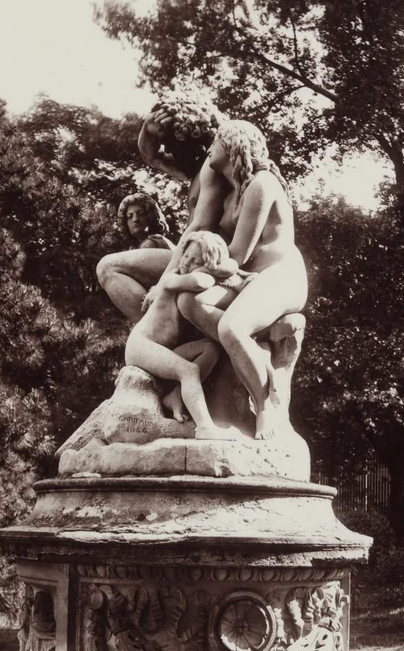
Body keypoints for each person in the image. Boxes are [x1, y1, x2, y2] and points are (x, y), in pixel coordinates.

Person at [175, 120, 307, 440]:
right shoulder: (234, 189)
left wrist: (187, 274)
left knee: (230, 327)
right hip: (247, 278)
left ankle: (265, 406)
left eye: (217, 140)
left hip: (280, 277)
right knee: (189, 301)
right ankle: (252, 351)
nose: (210, 148)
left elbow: (238, 254)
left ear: (234, 145)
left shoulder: (262, 183)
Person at [96, 95, 230, 321]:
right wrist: (147, 129)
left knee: (109, 267)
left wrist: (164, 281)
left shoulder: (211, 169)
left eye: (175, 146)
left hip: (207, 259)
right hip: (194, 254)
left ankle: (158, 326)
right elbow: (151, 156)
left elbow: (201, 225)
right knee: (110, 268)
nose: (171, 153)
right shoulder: (196, 170)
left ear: (193, 140)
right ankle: (159, 328)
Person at [124, 231, 241, 439]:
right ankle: (205, 428)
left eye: (194, 259)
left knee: (210, 348)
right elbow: (200, 282)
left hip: (161, 348)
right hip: (141, 345)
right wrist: (214, 268)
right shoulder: (171, 278)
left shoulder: (187, 277)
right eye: (185, 255)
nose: (186, 262)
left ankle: (175, 396)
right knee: (188, 371)